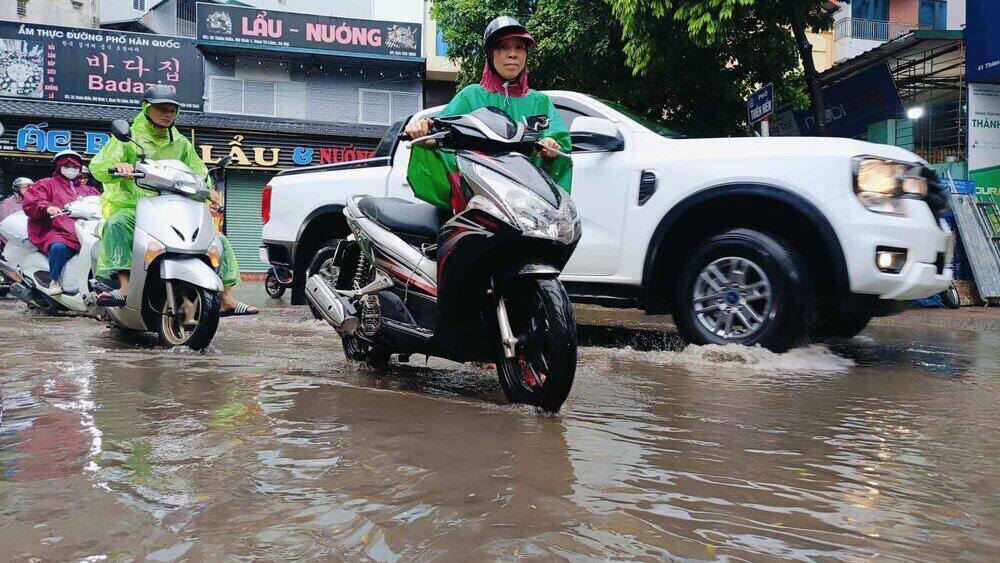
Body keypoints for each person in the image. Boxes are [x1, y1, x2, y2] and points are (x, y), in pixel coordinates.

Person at [91, 86, 258, 316]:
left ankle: (226, 297)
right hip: (134, 205)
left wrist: (209, 189)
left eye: (172, 109)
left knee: (217, 239)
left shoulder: (180, 142)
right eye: (161, 108)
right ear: (147, 108)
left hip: (173, 206)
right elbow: (99, 165)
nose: (167, 113)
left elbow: (198, 171)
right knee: (117, 223)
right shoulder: (128, 137)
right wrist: (120, 167)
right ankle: (126, 285)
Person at [406, 16, 572, 211]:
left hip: (527, 205)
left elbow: (561, 144)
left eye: (519, 47)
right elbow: (439, 131)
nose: (513, 54)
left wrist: (552, 146)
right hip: (479, 201)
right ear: (490, 55)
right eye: (503, 46)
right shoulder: (471, 96)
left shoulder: (540, 102)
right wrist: (421, 131)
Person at [21, 151, 100, 295]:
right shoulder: (45, 184)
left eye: (75, 167)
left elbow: (101, 204)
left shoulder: (89, 190)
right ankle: (54, 280)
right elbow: (32, 201)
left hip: (85, 231)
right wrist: (48, 207)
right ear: (59, 166)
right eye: (67, 166)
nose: (71, 169)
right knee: (59, 247)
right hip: (57, 230)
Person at [0, 177, 32, 246]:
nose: (27, 189)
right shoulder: (7, 203)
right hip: (11, 239)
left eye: (29, 187)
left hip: (31, 238)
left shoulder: (35, 202)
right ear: (16, 189)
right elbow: (4, 222)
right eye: (24, 187)